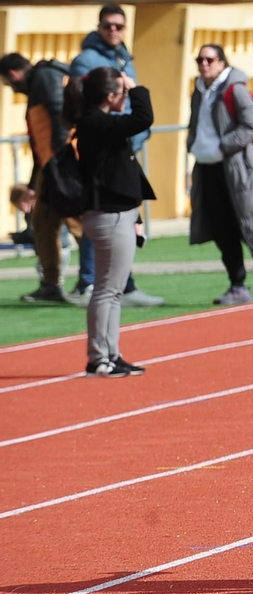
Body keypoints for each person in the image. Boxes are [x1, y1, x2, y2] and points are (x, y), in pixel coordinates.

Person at [69, 3, 163, 309]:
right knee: (103, 218)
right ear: (98, 27)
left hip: (124, 142)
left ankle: (125, 284)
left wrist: (134, 134)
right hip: (105, 145)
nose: (113, 31)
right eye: (108, 25)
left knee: (121, 223)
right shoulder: (86, 60)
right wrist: (127, 123)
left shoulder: (124, 56)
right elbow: (90, 102)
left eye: (119, 26)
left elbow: (128, 109)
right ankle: (89, 281)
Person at [67, 67, 157, 378]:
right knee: (107, 289)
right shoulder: (96, 122)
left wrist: (136, 216)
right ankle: (98, 358)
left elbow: (121, 174)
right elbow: (143, 119)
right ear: (110, 96)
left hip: (119, 213)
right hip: (109, 216)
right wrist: (136, 87)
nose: (126, 97)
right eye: (122, 93)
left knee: (113, 290)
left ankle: (111, 353)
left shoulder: (101, 122)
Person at [186, 44, 253, 305]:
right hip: (207, 169)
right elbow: (196, 124)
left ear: (221, 62)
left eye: (209, 59)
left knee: (252, 222)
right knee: (221, 228)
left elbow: (252, 125)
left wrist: (224, 146)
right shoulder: (198, 91)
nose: (203, 64)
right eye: (199, 60)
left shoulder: (235, 89)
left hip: (238, 168)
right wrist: (192, 144)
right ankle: (237, 285)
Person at [1, 52, 84, 304]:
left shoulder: (45, 79)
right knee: (42, 223)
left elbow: (60, 123)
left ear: (13, 74)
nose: (10, 87)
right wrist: (33, 183)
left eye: (7, 82)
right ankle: (51, 284)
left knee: (79, 224)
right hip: (51, 167)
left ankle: (98, 281)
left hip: (62, 166)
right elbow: (41, 139)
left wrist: (59, 165)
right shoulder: (41, 80)